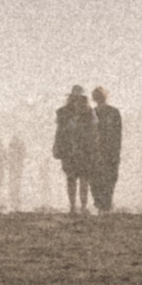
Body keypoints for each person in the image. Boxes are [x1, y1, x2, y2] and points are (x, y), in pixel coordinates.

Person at [53, 85, 96, 213]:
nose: (77, 100)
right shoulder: (63, 112)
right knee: (71, 178)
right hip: (68, 149)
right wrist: (57, 146)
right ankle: (72, 206)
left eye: (80, 98)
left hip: (84, 150)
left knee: (84, 179)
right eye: (75, 97)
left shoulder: (89, 113)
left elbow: (94, 132)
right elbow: (59, 131)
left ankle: (83, 206)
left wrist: (93, 148)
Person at [90, 86, 124, 214]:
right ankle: (101, 206)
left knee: (108, 179)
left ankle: (105, 206)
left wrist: (116, 151)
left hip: (109, 151)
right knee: (96, 179)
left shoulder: (113, 112)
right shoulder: (91, 113)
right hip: (97, 151)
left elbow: (118, 133)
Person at [6, 134, 27, 211]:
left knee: (15, 183)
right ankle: (14, 199)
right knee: (15, 183)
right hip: (15, 168)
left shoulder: (15, 149)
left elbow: (22, 155)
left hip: (16, 168)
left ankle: (14, 199)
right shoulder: (14, 149)